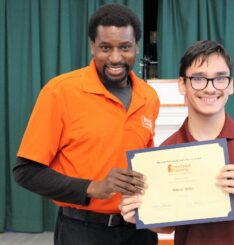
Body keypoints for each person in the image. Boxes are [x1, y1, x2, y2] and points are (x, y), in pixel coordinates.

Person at [13, 3, 159, 245]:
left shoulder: (149, 96)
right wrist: (93, 187)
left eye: (124, 47)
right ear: (92, 47)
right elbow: (26, 172)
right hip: (82, 231)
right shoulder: (60, 92)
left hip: (139, 230)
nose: (115, 57)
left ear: (137, 47)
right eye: (105, 47)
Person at [119, 40, 234, 245]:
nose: (210, 89)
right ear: (182, 84)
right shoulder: (166, 152)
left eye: (220, 79)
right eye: (199, 78)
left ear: (231, 85)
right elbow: (168, 225)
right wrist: (140, 213)